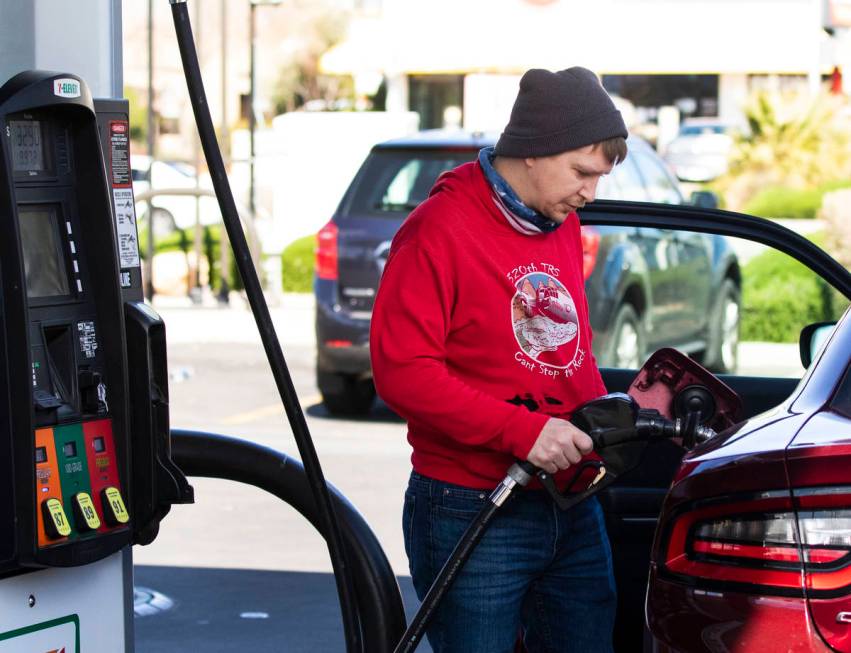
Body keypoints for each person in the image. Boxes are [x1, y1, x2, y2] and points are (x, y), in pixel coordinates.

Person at [370, 67, 628, 653]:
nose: (591, 191)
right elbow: (402, 371)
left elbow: (569, 349)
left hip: (569, 501)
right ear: (535, 151)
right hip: (472, 503)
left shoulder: (559, 221)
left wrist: (611, 418)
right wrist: (523, 431)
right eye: (582, 172)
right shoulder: (439, 229)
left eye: (600, 177)